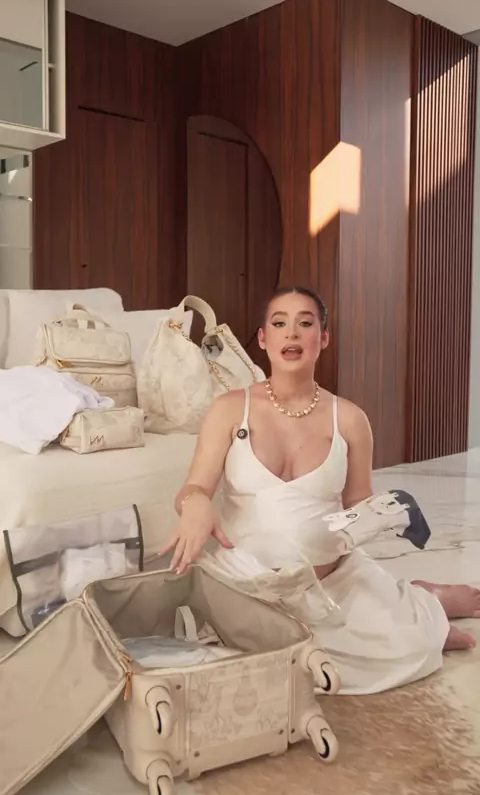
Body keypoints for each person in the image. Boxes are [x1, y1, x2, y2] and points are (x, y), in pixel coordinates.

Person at [160, 286, 480, 694]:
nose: (292, 333)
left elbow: (358, 503)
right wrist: (195, 504)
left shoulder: (350, 419)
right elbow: (196, 486)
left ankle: (426, 605)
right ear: (263, 339)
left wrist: (389, 512)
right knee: (258, 665)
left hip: (332, 583)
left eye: (305, 323)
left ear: (323, 337)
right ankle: (413, 603)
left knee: (412, 645)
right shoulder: (229, 408)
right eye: (280, 324)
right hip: (249, 584)